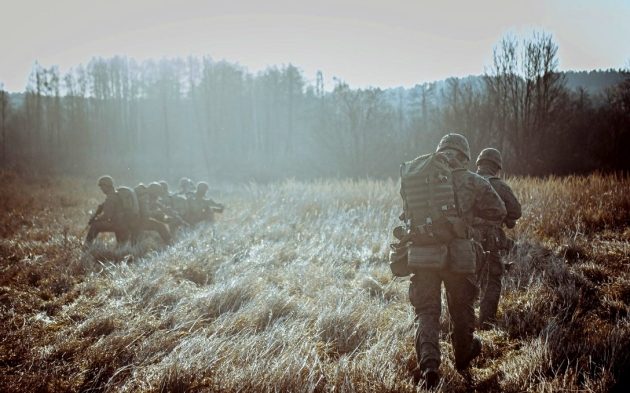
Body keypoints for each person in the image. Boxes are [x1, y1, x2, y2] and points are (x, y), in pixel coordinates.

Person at [400, 133, 506, 388]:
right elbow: (500, 211)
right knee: (461, 309)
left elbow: (406, 213)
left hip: (424, 253)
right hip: (459, 255)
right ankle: (463, 356)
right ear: (465, 156)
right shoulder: (473, 181)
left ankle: (429, 366)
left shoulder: (420, 178)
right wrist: (469, 221)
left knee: (426, 312)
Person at [474, 148, 522, 328]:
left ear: (479, 164)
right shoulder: (499, 186)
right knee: (492, 278)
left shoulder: (467, 180)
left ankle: (460, 322)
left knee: (463, 278)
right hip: (489, 239)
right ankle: (486, 324)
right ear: (497, 167)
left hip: (463, 238)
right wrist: (506, 218)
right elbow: (516, 211)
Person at [85, 175, 128, 246]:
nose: (101, 189)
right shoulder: (116, 194)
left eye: (102, 186)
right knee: (121, 246)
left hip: (117, 224)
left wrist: (95, 219)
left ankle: (86, 246)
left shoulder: (111, 198)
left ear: (107, 186)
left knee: (95, 225)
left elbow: (107, 216)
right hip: (122, 223)